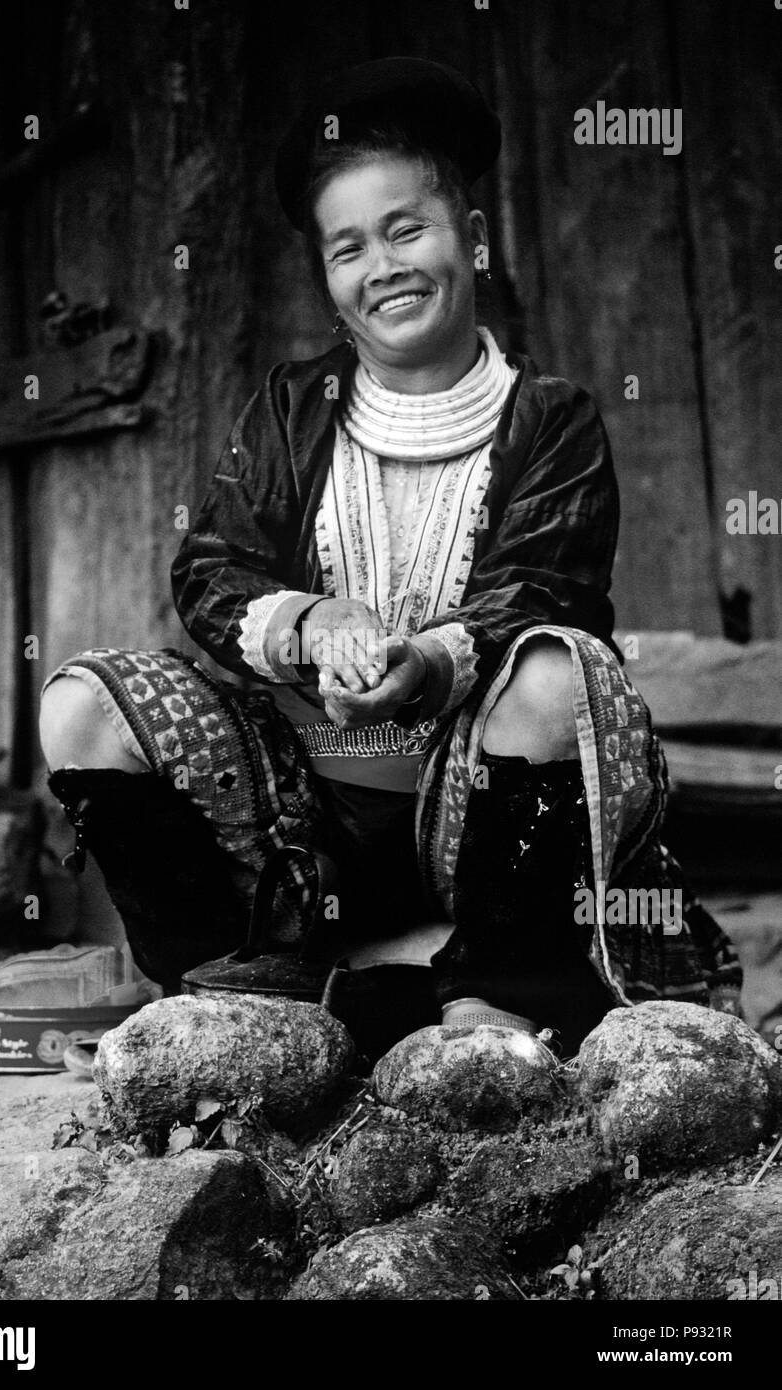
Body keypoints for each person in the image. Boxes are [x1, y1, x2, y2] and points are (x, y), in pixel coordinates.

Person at [39, 57, 741, 1057]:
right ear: (329, 281)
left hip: (478, 818)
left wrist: (418, 663)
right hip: (303, 830)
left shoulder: (549, 420)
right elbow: (210, 572)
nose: (383, 267)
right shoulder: (291, 410)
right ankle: (231, 989)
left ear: (475, 238)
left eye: (407, 228)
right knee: (81, 704)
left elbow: (545, 589)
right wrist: (315, 624)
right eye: (347, 248)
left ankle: (489, 1001)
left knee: (558, 668)